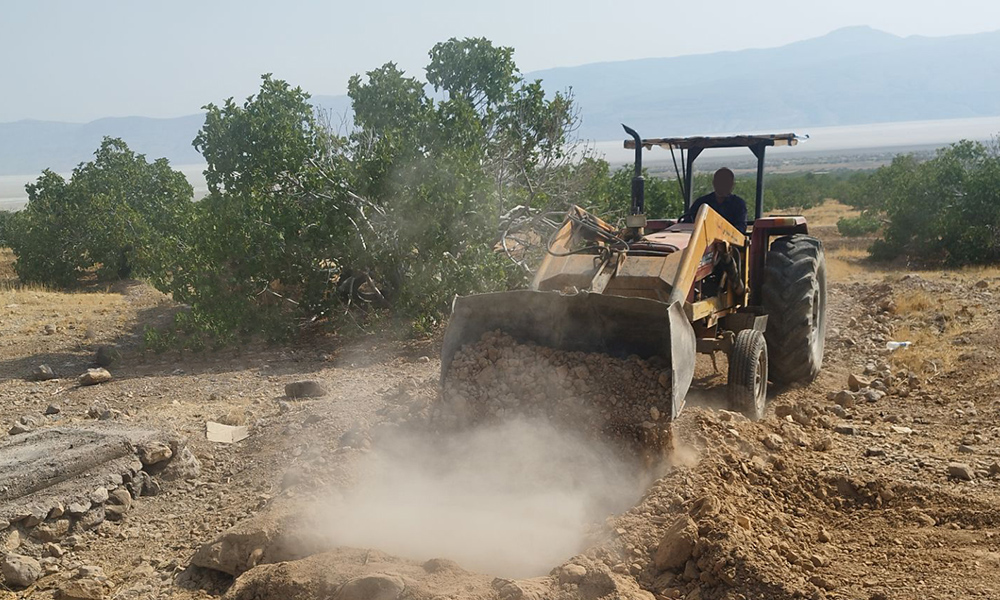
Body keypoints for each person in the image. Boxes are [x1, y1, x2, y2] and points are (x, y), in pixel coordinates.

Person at [678, 167, 747, 234]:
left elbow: (741, 228)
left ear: (732, 185)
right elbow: (687, 223)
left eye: (726, 182)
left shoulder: (738, 204)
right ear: (714, 183)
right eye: (720, 182)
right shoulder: (701, 203)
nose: (723, 185)